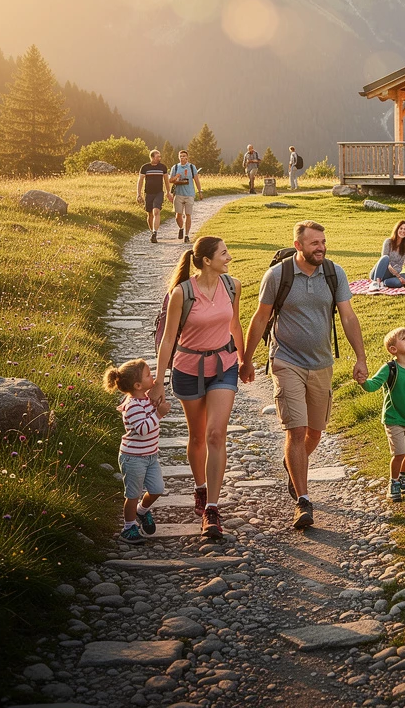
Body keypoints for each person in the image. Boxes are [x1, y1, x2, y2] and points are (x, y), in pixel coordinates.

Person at [242, 221, 368, 530]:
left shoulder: (333, 273)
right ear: (299, 246)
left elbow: (348, 316)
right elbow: (261, 318)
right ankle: (303, 500)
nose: (321, 247)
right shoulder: (278, 275)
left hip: (322, 362)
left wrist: (361, 357)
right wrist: (246, 360)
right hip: (286, 361)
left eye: (323, 241)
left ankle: (292, 463)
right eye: (314, 243)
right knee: (296, 432)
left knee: (315, 432)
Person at [153, 237, 248, 540]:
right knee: (197, 437)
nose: (229, 257)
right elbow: (169, 339)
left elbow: (235, 325)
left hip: (224, 365)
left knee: (216, 434)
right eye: (224, 253)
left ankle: (212, 508)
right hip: (188, 369)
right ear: (207, 260)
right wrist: (158, 381)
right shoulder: (182, 293)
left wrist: (244, 360)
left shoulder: (232, 286)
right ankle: (200, 487)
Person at [103, 358, 170, 545]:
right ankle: (128, 527)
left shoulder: (146, 398)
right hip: (133, 458)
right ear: (138, 385)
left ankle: (142, 511)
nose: (153, 377)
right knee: (132, 494)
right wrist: (159, 414)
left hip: (150, 456)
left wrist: (157, 406)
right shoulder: (132, 405)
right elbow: (142, 428)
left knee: (157, 489)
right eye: (149, 375)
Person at [360, 327, 405, 502]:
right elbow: (373, 385)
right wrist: (362, 382)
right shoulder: (389, 368)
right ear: (393, 349)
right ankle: (394, 482)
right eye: (403, 338)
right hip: (393, 419)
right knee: (399, 453)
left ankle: (402, 475)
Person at [169, 149, 201, 246]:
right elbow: (170, 180)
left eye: (184, 156)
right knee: (178, 215)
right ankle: (181, 228)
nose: (182, 157)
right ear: (179, 157)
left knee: (188, 215)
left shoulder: (192, 167)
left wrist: (200, 191)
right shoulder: (175, 167)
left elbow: (196, 179)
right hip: (178, 194)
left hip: (189, 194)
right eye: (181, 156)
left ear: (187, 157)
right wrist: (176, 177)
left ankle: (186, 235)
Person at [137, 149, 170, 244]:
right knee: (150, 214)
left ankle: (155, 232)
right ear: (152, 157)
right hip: (148, 193)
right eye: (157, 157)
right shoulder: (145, 167)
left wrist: (168, 192)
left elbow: (166, 180)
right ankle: (152, 232)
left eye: (160, 156)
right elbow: (140, 181)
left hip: (159, 192)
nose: (159, 158)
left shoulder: (163, 167)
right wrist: (138, 194)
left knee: (156, 211)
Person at [370, 220, 405, 288]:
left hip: (392, 275)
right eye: (401, 228)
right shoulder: (388, 242)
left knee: (404, 279)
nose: (403, 231)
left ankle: (384, 282)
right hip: (380, 272)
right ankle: (376, 282)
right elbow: (384, 262)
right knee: (385, 258)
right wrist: (398, 275)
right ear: (397, 229)